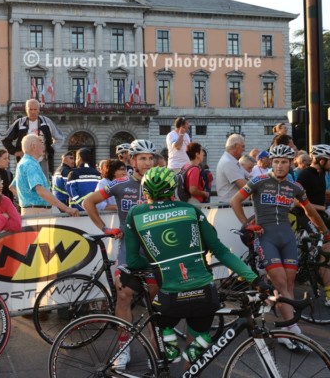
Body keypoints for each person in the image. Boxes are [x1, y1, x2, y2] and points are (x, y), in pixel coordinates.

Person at [125, 167, 258, 363]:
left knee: (159, 330)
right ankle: (190, 360)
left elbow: (133, 261)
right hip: (204, 296)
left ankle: (164, 360)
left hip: (169, 299)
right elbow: (220, 251)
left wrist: (158, 264)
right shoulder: (190, 210)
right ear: (173, 191)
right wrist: (253, 278)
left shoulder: (135, 214)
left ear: (145, 192)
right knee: (195, 353)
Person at [230, 144, 330, 349]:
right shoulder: (259, 181)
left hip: (287, 237)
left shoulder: (295, 187)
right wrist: (248, 225)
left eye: (284, 162)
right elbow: (235, 201)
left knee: (289, 285)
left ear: (291, 163)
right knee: (282, 283)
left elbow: (310, 211)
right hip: (266, 238)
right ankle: (294, 330)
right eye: (275, 161)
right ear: (270, 163)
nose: (279, 166)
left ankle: (285, 331)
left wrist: (325, 232)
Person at [82, 139, 156, 369]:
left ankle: (156, 349)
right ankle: (123, 348)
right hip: (129, 248)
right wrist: (105, 229)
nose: (147, 162)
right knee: (123, 295)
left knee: (155, 302)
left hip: (155, 251)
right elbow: (88, 202)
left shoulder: (159, 183)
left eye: (150, 157)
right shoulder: (120, 184)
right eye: (142, 158)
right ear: (132, 160)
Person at [11, 134, 79, 217]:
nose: (43, 147)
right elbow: (40, 190)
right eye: (41, 143)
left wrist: (26, 200)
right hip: (38, 213)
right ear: (33, 146)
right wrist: (67, 209)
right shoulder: (30, 164)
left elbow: (12, 187)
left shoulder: (23, 163)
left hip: (32, 211)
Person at [295, 144, 330, 306]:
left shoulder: (321, 173)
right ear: (321, 160)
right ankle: (329, 294)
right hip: (306, 216)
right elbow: (296, 200)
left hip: (320, 215)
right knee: (326, 250)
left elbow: (319, 194)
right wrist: (322, 208)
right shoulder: (305, 174)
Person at [1, 98, 63, 176]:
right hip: (25, 160)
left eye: (35, 109)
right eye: (30, 109)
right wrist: (15, 152)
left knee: (42, 182)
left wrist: (50, 150)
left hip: (43, 160)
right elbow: (5, 139)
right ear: (26, 110)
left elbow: (60, 138)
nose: (33, 112)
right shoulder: (20, 123)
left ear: (39, 110)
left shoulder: (46, 122)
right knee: (25, 182)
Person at [215, 133, 247, 203]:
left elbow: (250, 176)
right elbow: (245, 186)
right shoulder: (228, 162)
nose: (244, 149)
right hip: (229, 207)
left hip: (231, 206)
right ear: (236, 146)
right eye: (242, 146)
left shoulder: (232, 161)